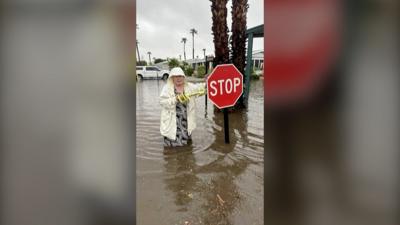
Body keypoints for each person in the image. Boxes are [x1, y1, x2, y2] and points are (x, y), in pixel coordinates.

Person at [159, 67, 205, 147]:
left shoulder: (189, 87)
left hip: (185, 121)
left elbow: (199, 87)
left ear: (184, 77)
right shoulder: (167, 88)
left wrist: (208, 82)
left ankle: (184, 157)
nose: (178, 78)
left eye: (180, 76)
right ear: (172, 78)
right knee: (171, 149)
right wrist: (176, 99)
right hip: (173, 122)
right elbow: (162, 102)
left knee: (186, 146)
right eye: (176, 76)